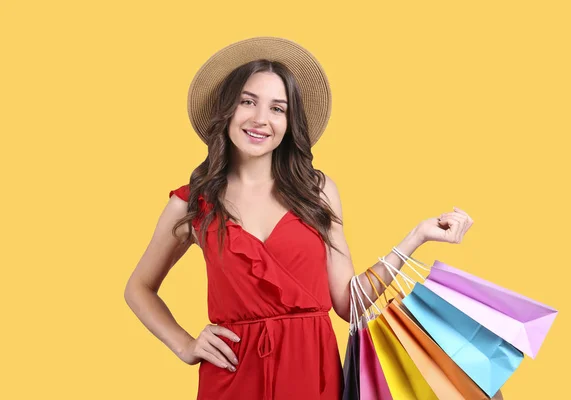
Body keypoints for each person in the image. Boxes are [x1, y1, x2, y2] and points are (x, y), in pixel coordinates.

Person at [124, 36, 500, 400]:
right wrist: (185, 345)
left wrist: (416, 237)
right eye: (247, 102)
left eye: (277, 108)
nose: (260, 119)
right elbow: (138, 288)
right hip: (232, 377)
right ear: (228, 110)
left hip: (312, 376)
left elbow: (347, 303)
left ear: (289, 122)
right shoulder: (192, 204)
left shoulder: (317, 191)